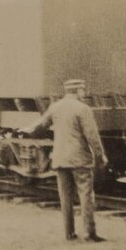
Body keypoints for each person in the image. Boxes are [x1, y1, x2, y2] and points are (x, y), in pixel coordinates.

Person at [23, 78, 108, 241]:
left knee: (65, 197)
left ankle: (69, 233)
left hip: (60, 158)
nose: (85, 93)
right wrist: (100, 155)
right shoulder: (83, 109)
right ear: (78, 91)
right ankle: (89, 233)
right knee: (86, 195)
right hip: (79, 159)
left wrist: (27, 130)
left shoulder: (55, 107)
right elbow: (92, 136)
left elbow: (40, 126)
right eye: (83, 90)